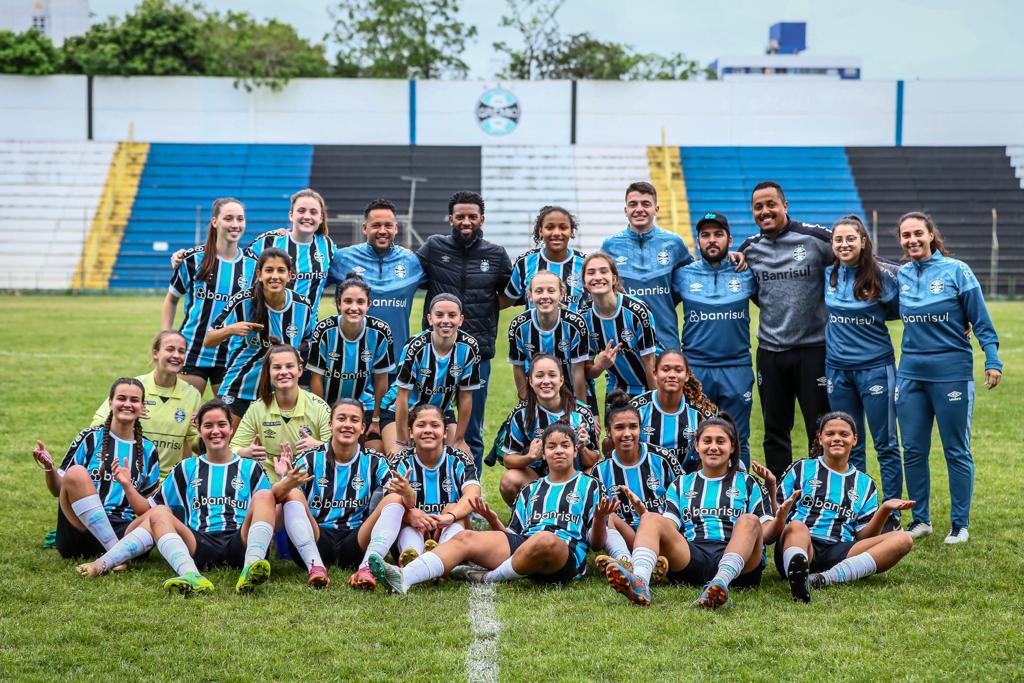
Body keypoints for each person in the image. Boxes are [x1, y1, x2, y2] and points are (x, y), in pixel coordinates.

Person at [75, 399, 297, 595]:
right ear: (199, 429)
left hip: (240, 540)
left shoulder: (251, 468)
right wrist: (127, 485)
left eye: (222, 424)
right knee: (160, 512)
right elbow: (147, 511)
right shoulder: (185, 468)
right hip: (199, 542)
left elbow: (273, 518)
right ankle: (191, 575)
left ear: (231, 428)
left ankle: (252, 565)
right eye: (208, 425)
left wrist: (284, 479)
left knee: (265, 495)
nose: (215, 431)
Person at [368, 423, 615, 592]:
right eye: (552, 446)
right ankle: (403, 577)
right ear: (543, 453)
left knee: (545, 540)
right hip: (525, 548)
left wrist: (601, 519)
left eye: (564, 445)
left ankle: (488, 577)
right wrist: (493, 521)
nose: (558, 450)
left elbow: (594, 544)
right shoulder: (531, 489)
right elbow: (515, 537)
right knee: (465, 537)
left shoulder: (591, 485)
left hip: (563, 555)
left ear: (574, 451)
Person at [894, 212, 1002, 544]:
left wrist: (992, 358)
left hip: (951, 373)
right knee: (912, 449)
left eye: (917, 234)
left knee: (956, 450)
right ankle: (921, 519)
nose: (911, 240)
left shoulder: (958, 271)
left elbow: (980, 320)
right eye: (905, 235)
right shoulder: (900, 275)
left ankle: (959, 525)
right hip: (910, 374)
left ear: (931, 236)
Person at [603, 415, 781, 609]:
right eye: (707, 441)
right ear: (696, 445)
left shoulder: (748, 483)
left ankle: (720, 583)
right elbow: (669, 528)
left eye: (721, 441)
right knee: (651, 518)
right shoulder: (681, 484)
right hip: (694, 557)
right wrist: (647, 519)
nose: (713, 447)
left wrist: (780, 519)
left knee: (749, 520)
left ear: (733, 447)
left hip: (742, 566)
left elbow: (766, 535)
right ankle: (640, 582)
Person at [738, 181, 834, 479]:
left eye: (771, 205)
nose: (765, 211)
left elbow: (858, 257)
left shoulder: (816, 239)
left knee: (819, 427)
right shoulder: (749, 250)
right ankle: (778, 493)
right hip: (770, 352)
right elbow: (751, 290)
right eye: (758, 207)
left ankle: (819, 488)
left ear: (785, 206)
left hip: (813, 350)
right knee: (775, 428)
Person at [417, 191, 513, 472]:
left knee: (471, 430)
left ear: (482, 219)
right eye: (460, 216)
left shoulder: (495, 254)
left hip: (477, 353)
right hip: (434, 353)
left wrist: (487, 307)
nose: (466, 221)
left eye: (472, 216)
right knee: (428, 422)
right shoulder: (434, 247)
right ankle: (427, 487)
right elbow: (411, 270)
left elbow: (512, 292)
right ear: (450, 219)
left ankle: (470, 494)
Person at [774, 411, 914, 602]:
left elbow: (864, 536)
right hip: (800, 543)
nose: (837, 438)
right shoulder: (801, 468)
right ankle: (797, 572)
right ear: (820, 438)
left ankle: (822, 579)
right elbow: (776, 512)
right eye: (830, 434)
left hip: (839, 549)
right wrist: (772, 491)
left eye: (844, 434)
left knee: (903, 539)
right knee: (797, 526)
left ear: (854, 440)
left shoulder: (865, 484)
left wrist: (884, 509)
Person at [276, 398, 415, 590]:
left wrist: (407, 492)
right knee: (290, 492)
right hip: (317, 538)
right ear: (330, 424)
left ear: (363, 428)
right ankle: (315, 567)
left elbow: (405, 500)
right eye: (341, 418)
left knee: (395, 497)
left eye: (354, 420)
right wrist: (284, 482)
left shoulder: (374, 460)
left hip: (355, 541)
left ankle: (367, 568)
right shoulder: (310, 457)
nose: (347, 425)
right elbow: (275, 496)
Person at [33, 378, 160, 560]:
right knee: (76, 472)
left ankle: (114, 552)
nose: (127, 404)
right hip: (81, 531)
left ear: (142, 406)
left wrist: (127, 486)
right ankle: (117, 554)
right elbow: (58, 490)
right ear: (110, 403)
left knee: (160, 512)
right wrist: (49, 468)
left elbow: (146, 507)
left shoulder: (148, 449)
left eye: (134, 400)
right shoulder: (90, 438)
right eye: (121, 398)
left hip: (123, 528)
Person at [824, 215, 902, 505]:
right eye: (838, 240)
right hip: (837, 370)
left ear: (863, 241)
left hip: (875, 369)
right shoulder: (828, 274)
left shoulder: (882, 275)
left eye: (850, 239)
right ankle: (858, 507)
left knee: (886, 444)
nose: (844, 245)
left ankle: (891, 509)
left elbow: (909, 305)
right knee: (848, 444)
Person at [674, 211, 757, 464]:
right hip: (697, 368)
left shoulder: (747, 272)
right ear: (697, 241)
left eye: (718, 235)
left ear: (730, 240)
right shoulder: (682, 275)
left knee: (738, 437)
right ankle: (691, 498)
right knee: (693, 437)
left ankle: (740, 497)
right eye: (705, 235)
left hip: (737, 367)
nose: (712, 240)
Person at [204, 248, 317, 426]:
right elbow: (209, 340)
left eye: (281, 270)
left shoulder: (302, 306)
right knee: (221, 439)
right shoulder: (242, 301)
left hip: (279, 391)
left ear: (290, 275)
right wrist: (231, 329)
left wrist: (302, 385)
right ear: (259, 274)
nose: (275, 276)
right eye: (269, 270)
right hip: (239, 386)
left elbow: (308, 347)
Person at [163, 197, 257, 394]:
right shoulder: (193, 259)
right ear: (215, 222)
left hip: (231, 353)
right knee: (183, 416)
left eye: (240, 219)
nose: (235, 225)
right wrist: (167, 335)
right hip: (192, 349)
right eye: (228, 219)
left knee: (227, 420)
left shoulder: (253, 265)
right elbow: (172, 298)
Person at [591, 391, 684, 579]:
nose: (627, 434)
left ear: (641, 428)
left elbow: (685, 499)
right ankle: (625, 560)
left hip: (659, 533)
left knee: (654, 521)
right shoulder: (600, 471)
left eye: (633, 427)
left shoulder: (663, 459)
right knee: (607, 515)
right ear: (608, 432)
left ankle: (633, 563)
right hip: (624, 538)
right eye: (619, 428)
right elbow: (597, 532)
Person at [380, 294, 481, 457]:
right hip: (400, 410)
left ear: (461, 320)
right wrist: (402, 442)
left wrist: (459, 439)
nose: (446, 320)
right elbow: (402, 397)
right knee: (401, 458)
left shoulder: (469, 347)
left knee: (460, 457)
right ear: (430, 319)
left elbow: (465, 397)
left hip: (440, 411)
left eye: (452, 315)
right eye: (439, 315)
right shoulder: (415, 347)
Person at [91, 330, 201, 479]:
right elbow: (95, 426)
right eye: (170, 349)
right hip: (130, 475)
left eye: (181, 351)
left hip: (169, 480)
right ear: (155, 353)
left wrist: (205, 432)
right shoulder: (134, 388)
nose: (176, 355)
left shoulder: (191, 394)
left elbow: (196, 443)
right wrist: (125, 416)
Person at [494, 354, 601, 507]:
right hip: (538, 481)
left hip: (576, 479)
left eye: (552, 375)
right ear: (530, 381)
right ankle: (526, 515)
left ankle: (583, 514)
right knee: (509, 480)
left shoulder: (581, 412)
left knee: (599, 473)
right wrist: (530, 457)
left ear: (561, 379)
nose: (546, 381)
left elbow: (594, 459)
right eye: (539, 376)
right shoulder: (521, 414)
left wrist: (583, 448)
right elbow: (508, 459)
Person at [600, 181, 693, 351]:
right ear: (625, 210)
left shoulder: (674, 243)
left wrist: (728, 256)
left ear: (656, 209)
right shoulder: (610, 246)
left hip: (665, 341)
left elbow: (693, 278)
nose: (639, 209)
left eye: (646, 204)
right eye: (633, 204)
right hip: (625, 342)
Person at [307, 271, 394, 448]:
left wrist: (376, 418)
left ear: (369, 304)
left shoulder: (380, 332)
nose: (354, 308)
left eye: (360, 302)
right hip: (326, 404)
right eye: (348, 301)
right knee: (322, 449)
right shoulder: (324, 330)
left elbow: (381, 380)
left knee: (376, 449)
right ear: (338, 303)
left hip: (364, 403)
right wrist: (322, 418)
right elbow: (316, 379)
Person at [329, 198, 426, 356]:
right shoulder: (342, 258)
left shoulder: (412, 262)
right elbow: (311, 283)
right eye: (376, 225)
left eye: (388, 225)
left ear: (396, 228)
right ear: (364, 228)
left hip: (396, 360)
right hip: (351, 360)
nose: (382, 231)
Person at [391, 404, 482, 567]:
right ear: (411, 432)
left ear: (445, 432)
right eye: (420, 425)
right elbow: (390, 503)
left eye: (435, 425)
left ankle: (441, 557)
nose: (427, 430)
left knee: (453, 508)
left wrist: (450, 516)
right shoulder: (401, 460)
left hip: (447, 527)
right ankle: (414, 556)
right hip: (416, 526)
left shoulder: (459, 459)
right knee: (406, 514)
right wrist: (410, 515)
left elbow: (473, 494)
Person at [231, 345, 331, 481]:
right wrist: (246, 452)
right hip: (268, 483)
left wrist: (318, 446)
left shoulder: (319, 407)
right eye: (277, 367)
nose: (283, 372)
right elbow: (233, 449)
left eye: (290, 366)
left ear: (300, 370)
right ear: (269, 372)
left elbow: (337, 450)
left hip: (309, 480)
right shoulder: (257, 408)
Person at [578, 252, 657, 408]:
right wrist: (599, 366)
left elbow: (651, 365)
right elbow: (587, 371)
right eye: (591, 273)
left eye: (603, 271)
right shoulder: (583, 318)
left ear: (613, 279)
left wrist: (655, 404)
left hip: (649, 385)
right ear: (584, 282)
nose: (598, 277)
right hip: (617, 388)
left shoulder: (637, 311)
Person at [244, 188, 336, 313]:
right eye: (301, 211)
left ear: (321, 218)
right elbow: (241, 275)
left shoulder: (327, 245)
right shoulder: (269, 241)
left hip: (308, 328)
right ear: (291, 215)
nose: (307, 216)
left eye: (313, 212)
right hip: (268, 327)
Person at [507, 270, 590, 402]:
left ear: (562, 294)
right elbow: (518, 367)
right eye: (539, 291)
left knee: (591, 422)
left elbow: (578, 371)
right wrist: (527, 403)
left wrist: (581, 409)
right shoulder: (519, 326)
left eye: (551, 291)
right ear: (529, 295)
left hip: (572, 394)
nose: (545, 296)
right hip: (538, 395)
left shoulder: (575, 324)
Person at [628, 350, 717, 470]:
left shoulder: (699, 412)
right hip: (645, 478)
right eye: (665, 369)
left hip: (685, 482)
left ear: (686, 376)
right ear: (655, 374)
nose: (672, 375)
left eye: (678, 370)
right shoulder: (636, 408)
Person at [502, 205, 587, 312]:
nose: (556, 233)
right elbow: (507, 299)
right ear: (540, 231)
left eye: (563, 227)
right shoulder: (525, 263)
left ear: (571, 231)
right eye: (550, 227)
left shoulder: (584, 264)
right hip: (533, 329)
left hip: (573, 329)